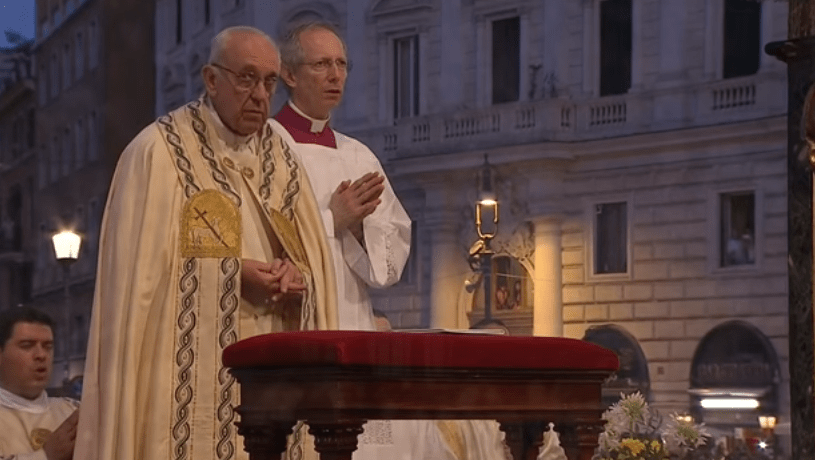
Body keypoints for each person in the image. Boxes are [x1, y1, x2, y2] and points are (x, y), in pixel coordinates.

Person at [74, 26, 337, 460]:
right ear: (211, 79)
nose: (259, 95)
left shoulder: (283, 157)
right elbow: (141, 286)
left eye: (269, 82)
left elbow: (313, 260)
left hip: (272, 375)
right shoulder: (159, 153)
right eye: (246, 78)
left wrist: (297, 275)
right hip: (185, 377)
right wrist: (235, 275)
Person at [270, 21, 411, 331]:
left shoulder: (358, 155)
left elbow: (392, 257)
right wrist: (332, 219)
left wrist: (360, 231)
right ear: (289, 74)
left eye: (341, 64)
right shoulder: (265, 146)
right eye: (321, 64)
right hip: (289, 320)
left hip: (353, 319)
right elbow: (258, 238)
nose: (335, 75)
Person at [0, 307, 79, 460]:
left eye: (48, 347)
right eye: (27, 345)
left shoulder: (72, 411)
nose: (41, 355)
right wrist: (45, 456)